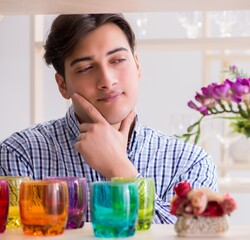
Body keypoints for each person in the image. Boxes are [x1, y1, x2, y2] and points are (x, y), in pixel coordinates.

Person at [0, 14, 218, 224]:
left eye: (118, 60)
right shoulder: (20, 154)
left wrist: (120, 170)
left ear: (137, 65)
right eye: (85, 68)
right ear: (62, 85)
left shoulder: (190, 163)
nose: (107, 80)